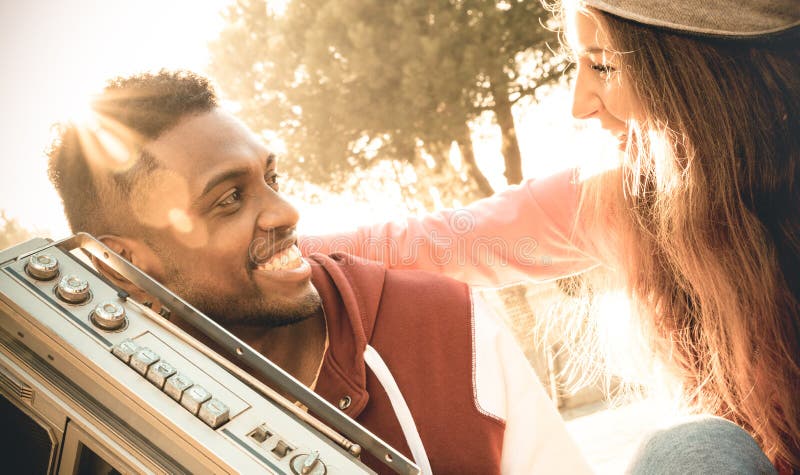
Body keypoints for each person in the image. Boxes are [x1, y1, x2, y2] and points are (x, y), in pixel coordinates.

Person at [301, 0, 800, 472]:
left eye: (603, 65)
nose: (579, 104)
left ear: (699, 67)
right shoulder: (627, 200)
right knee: (693, 447)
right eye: (578, 64)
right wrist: (270, 250)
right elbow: (438, 242)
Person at [46, 70, 592, 475]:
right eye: (230, 199)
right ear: (126, 266)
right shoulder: (114, 414)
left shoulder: (445, 322)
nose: (286, 213)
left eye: (272, 177)